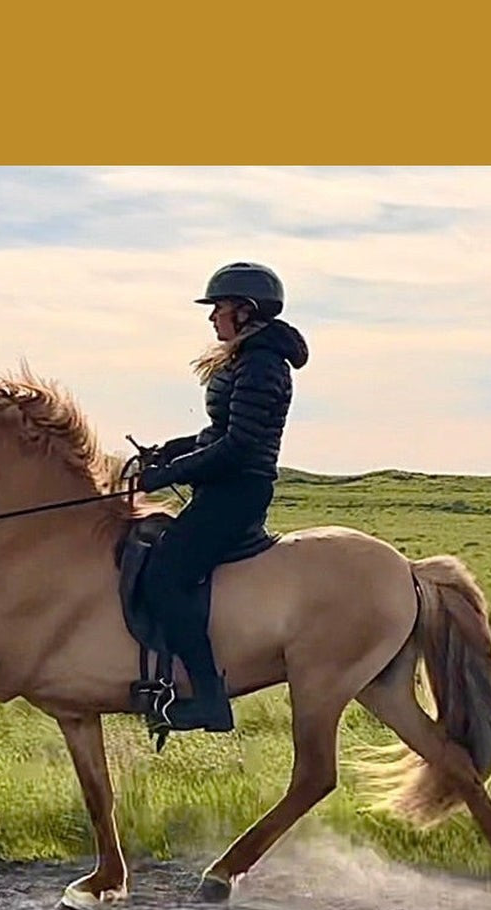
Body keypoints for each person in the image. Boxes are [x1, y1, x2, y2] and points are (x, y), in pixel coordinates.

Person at [137, 261, 309, 732]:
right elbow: (217, 433)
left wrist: (170, 473)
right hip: (223, 488)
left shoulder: (262, 363)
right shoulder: (246, 358)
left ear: (245, 311)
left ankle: (209, 698)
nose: (212, 318)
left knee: (166, 576)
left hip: (236, 494)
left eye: (219, 308)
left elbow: (238, 448)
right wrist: (168, 450)